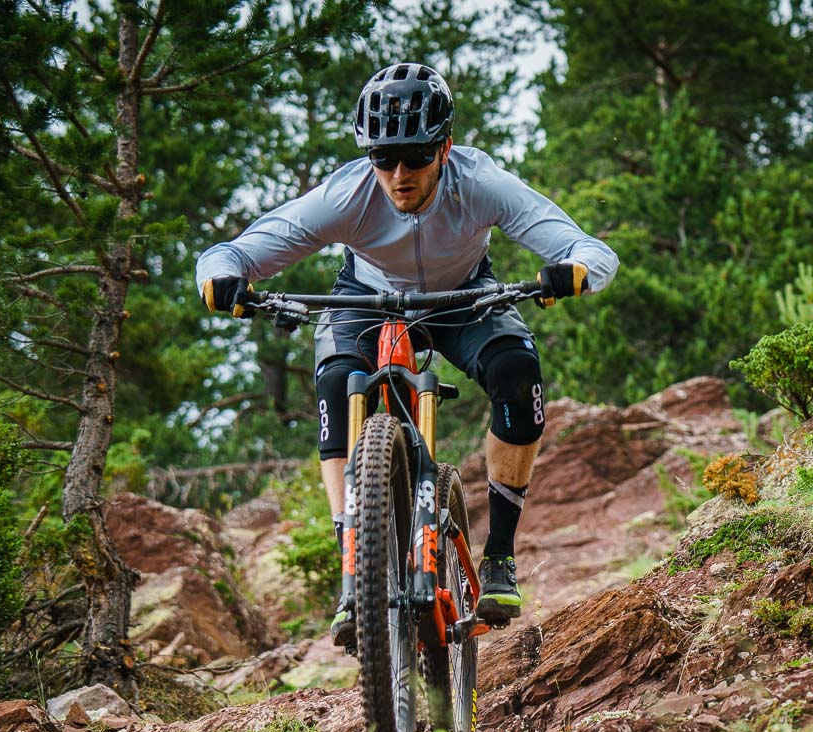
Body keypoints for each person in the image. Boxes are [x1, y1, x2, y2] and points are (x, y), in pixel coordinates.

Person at [197, 62, 618, 649]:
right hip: (366, 301)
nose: (398, 174)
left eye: (416, 157)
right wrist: (221, 276)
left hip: (463, 296)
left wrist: (573, 272)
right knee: (339, 382)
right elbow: (237, 251)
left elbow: (589, 249)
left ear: (445, 147)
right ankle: (356, 566)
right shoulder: (349, 193)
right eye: (382, 157)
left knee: (516, 374)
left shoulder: (482, 183)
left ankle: (498, 557)